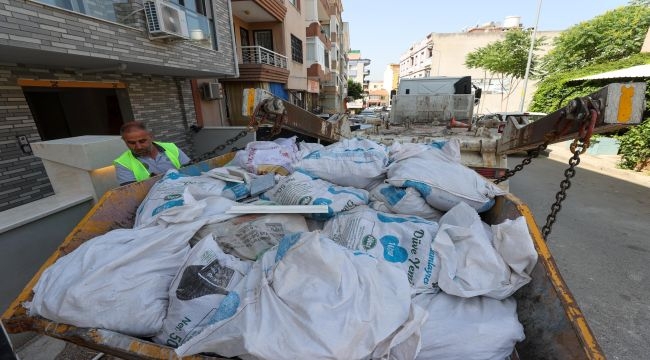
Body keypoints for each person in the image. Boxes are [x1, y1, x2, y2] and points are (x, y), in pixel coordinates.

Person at [114, 121, 191, 186]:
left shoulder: (171, 147)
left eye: (142, 141)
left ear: (151, 136)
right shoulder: (123, 163)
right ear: (124, 140)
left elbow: (191, 171)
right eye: (132, 143)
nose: (138, 147)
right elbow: (131, 193)